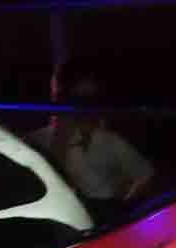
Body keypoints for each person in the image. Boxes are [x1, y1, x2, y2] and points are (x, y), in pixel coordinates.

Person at [28, 56, 155, 221]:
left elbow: (146, 178)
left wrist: (127, 197)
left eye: (91, 99)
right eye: (76, 98)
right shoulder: (38, 140)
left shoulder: (110, 141)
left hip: (106, 219)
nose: (84, 108)